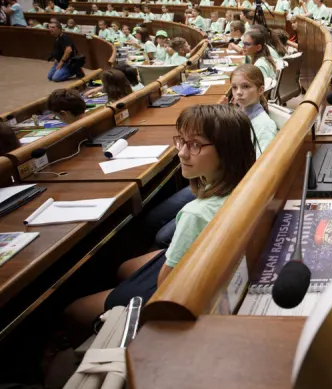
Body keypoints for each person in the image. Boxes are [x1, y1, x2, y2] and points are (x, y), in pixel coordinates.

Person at [65, 104, 257, 329]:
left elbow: (166, 285)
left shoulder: (195, 215)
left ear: (227, 150)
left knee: (74, 309)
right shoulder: (249, 180)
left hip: (174, 286)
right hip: (193, 261)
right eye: (181, 141)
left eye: (195, 145)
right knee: (124, 267)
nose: (182, 153)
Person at [229, 64, 278, 156]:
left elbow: (262, 163)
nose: (238, 92)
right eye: (234, 87)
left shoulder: (265, 126)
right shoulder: (238, 114)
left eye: (246, 86)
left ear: (260, 90)